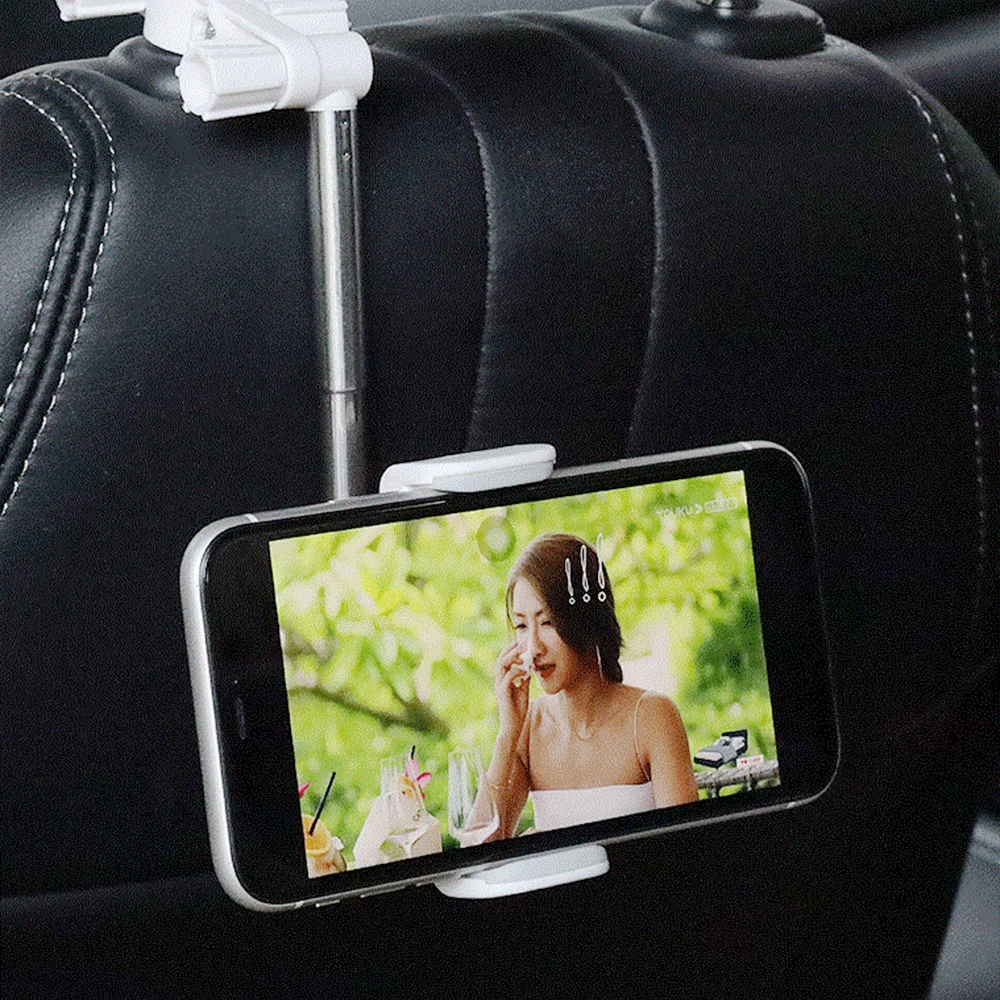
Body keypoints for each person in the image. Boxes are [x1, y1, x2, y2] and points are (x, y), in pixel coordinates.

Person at [479, 532, 698, 838]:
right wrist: (507, 735)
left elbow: (688, 846)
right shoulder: (527, 727)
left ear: (587, 619)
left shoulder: (651, 717)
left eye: (547, 622)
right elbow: (476, 849)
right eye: (521, 626)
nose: (532, 648)